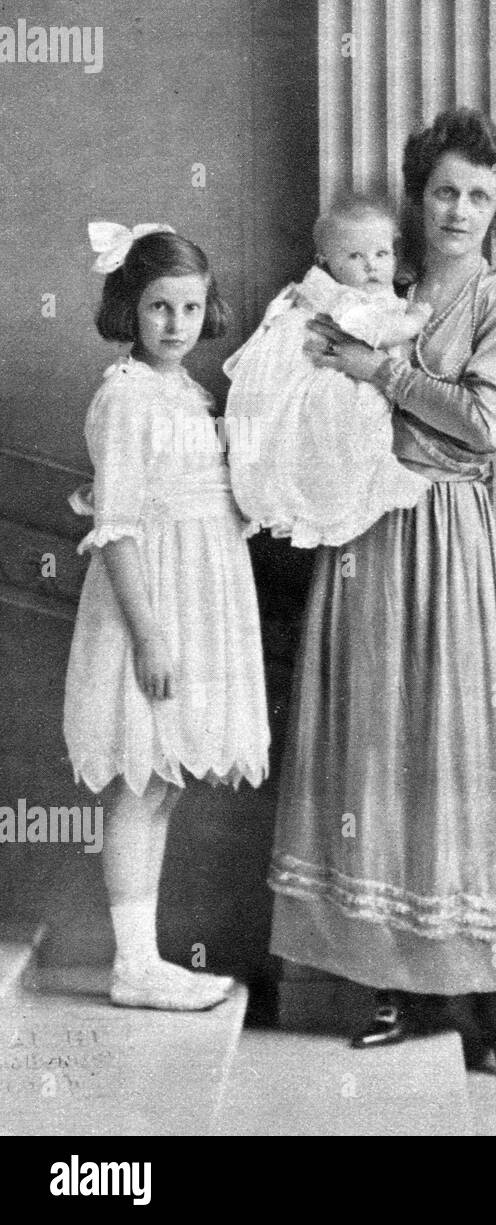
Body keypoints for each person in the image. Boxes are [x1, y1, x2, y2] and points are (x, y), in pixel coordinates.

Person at [266, 108, 496, 1081]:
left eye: (479, 193)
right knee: (374, 742)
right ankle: (391, 979)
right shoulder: (378, 279)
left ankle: (487, 991)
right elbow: (304, 397)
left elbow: (478, 422)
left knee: (454, 748)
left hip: (446, 537)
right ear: (417, 198)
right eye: (443, 191)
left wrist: (378, 370)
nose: (460, 208)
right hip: (360, 534)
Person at [65, 222, 269, 1010]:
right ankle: (134, 962)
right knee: (140, 781)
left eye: (189, 307)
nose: (176, 323)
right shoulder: (124, 397)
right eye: (158, 307)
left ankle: (141, 957)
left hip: (197, 601)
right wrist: (150, 631)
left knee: (163, 783)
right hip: (149, 608)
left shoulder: (187, 393)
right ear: (130, 309)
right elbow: (114, 526)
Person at [223, 194, 430, 547]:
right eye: (355, 256)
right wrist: (415, 319)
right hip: (306, 370)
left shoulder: (362, 291)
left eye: (382, 254)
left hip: (327, 365)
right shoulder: (338, 298)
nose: (371, 266)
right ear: (325, 261)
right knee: (332, 430)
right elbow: (377, 330)